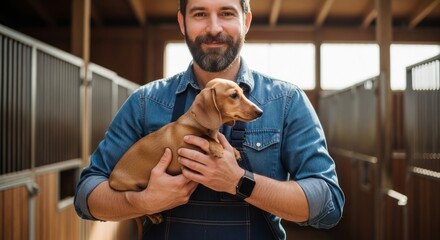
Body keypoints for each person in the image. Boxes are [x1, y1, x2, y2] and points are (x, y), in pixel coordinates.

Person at [74, 0, 345, 239]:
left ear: (246, 20)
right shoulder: (144, 102)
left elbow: (328, 204)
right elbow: (87, 196)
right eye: (200, 14)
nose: (214, 28)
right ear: (182, 23)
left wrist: (239, 181)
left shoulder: (287, 101)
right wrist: (143, 201)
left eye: (226, 13)